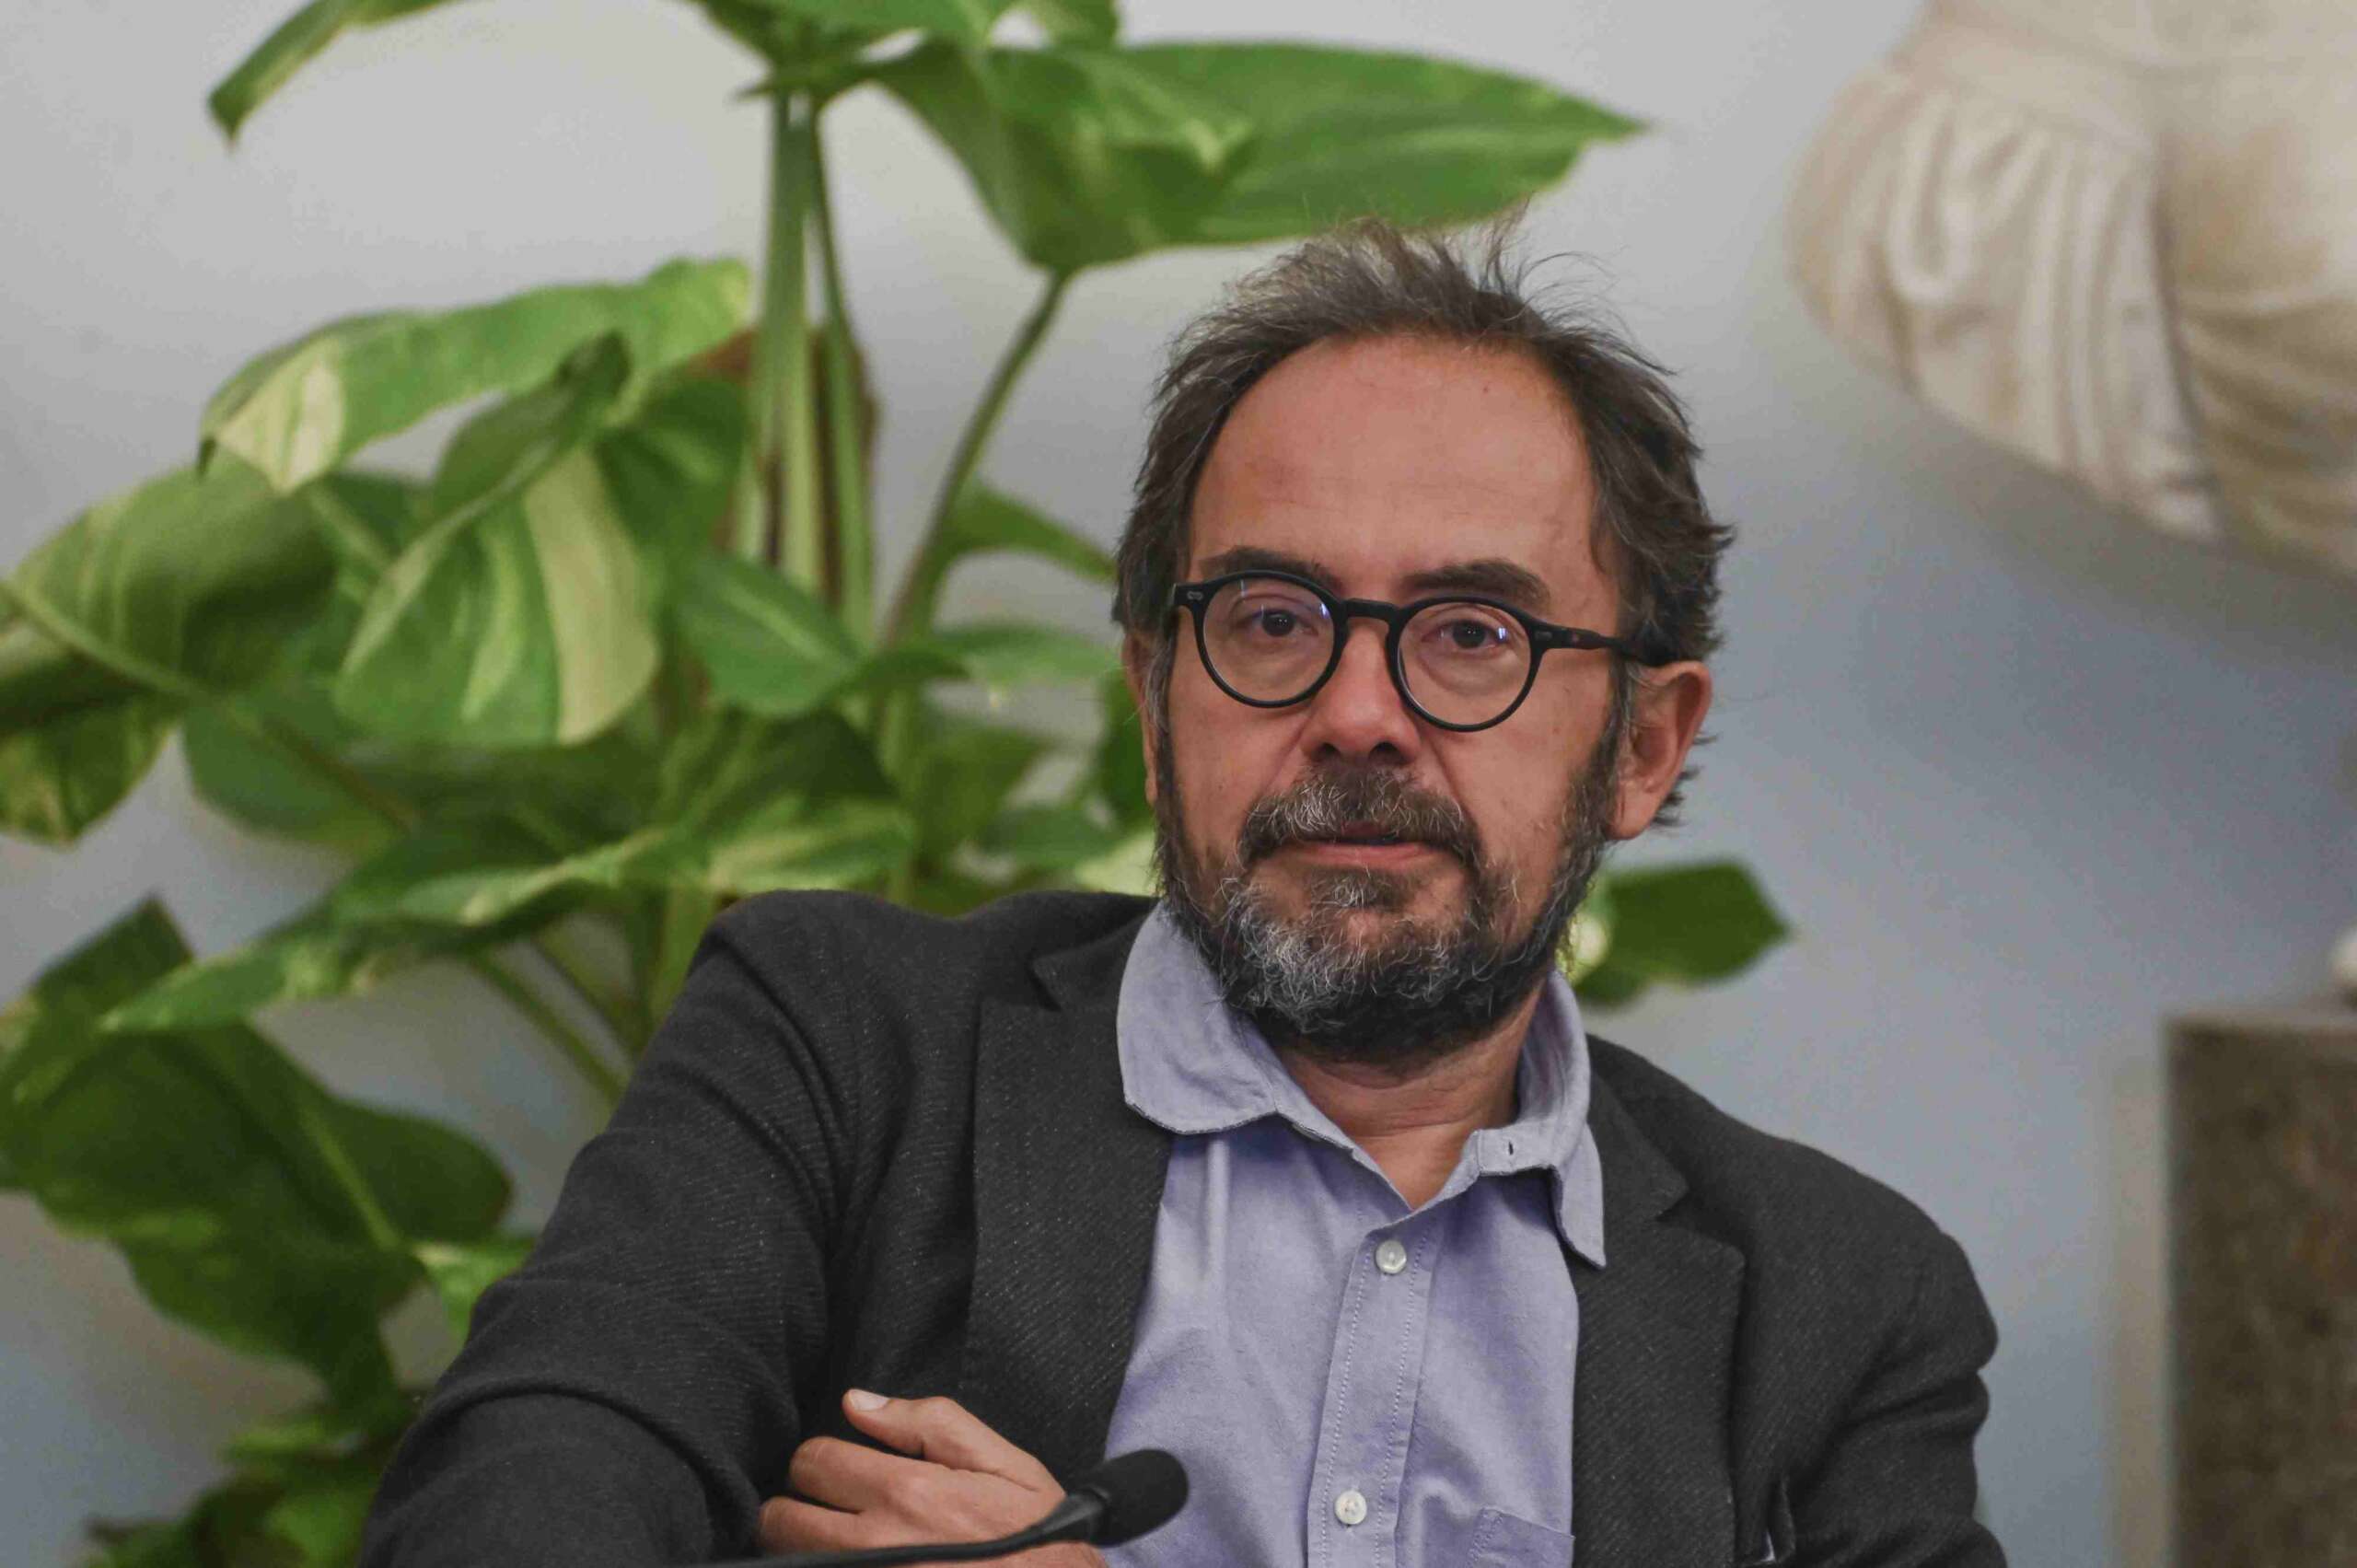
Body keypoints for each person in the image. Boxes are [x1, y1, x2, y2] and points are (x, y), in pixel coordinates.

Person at [360, 220, 2003, 1568]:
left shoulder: (1845, 1305)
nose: (1358, 713)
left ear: (1643, 746)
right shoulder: (845, 1047)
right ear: (1156, 701)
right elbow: (520, 1503)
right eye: (1274, 620)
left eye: (1471, 635)